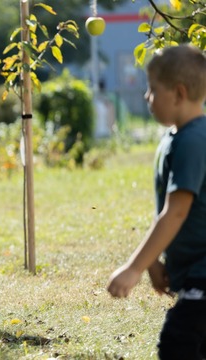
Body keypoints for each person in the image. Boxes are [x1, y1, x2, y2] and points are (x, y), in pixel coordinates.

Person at [107, 44, 206, 359]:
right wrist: (153, 262)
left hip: (203, 276)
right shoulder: (177, 138)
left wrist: (134, 268)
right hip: (193, 273)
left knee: (178, 345)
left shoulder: (193, 140)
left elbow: (175, 212)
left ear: (178, 93)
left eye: (153, 90)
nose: (147, 97)